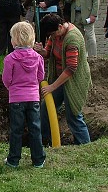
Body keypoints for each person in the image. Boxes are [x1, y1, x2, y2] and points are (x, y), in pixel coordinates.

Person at [34, 13, 91, 145]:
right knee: (46, 108)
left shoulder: (72, 39)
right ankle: (44, 140)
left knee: (73, 115)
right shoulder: (55, 34)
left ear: (60, 26)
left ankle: (84, 145)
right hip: (60, 77)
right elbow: (47, 53)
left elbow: (71, 68)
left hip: (74, 80)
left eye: (53, 34)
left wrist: (52, 87)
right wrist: (40, 50)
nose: (52, 38)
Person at [2, 22, 46, 168]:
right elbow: (40, 77)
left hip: (16, 99)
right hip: (33, 97)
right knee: (35, 129)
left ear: (14, 40)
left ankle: (13, 160)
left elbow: (6, 79)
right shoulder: (38, 57)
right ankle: (38, 159)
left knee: (16, 130)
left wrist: (12, 88)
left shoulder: (10, 59)